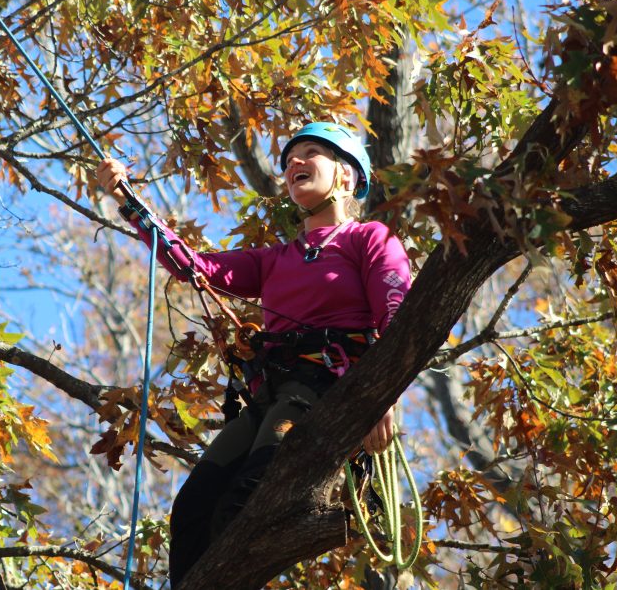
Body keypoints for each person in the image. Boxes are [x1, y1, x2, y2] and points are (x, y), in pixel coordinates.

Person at [96, 122, 411, 587]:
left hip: (328, 386)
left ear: (346, 175)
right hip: (273, 396)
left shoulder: (369, 239)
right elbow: (195, 267)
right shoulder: (275, 259)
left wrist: (383, 398)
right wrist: (128, 201)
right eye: (288, 160)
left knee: (249, 497)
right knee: (193, 509)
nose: (293, 163)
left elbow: (398, 318)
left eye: (309, 153)